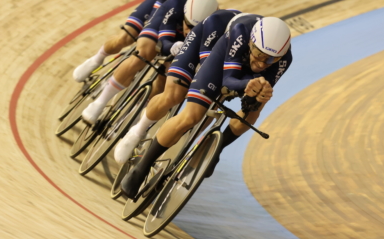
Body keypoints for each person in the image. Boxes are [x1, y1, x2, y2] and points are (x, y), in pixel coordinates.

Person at [120, 15, 293, 198]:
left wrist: (257, 95)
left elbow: (256, 95)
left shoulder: (284, 59)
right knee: (191, 116)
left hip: (243, 74)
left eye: (270, 60)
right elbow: (228, 80)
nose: (261, 63)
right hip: (220, 61)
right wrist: (247, 85)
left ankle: (217, 148)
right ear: (251, 43)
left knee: (257, 105)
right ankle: (141, 168)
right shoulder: (241, 31)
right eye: (259, 55)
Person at [114, 9, 242, 164]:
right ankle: (137, 131)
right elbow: (206, 64)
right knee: (173, 95)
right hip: (197, 50)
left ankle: (180, 144)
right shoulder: (216, 22)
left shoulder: (248, 48)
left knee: (209, 106)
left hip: (221, 62)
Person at [80, 0, 219, 124]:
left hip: (184, 43)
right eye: (188, 25)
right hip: (163, 27)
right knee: (143, 54)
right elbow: (164, 38)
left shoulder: (213, 25)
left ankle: (132, 116)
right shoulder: (178, 1)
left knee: (165, 82)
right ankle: (99, 103)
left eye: (194, 28)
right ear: (185, 13)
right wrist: (170, 46)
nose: (189, 31)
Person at [72, 0, 210, 82]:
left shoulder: (205, 4)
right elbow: (157, 16)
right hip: (163, 10)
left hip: (182, 20)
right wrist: (147, 36)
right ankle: (97, 59)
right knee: (126, 37)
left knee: (168, 69)